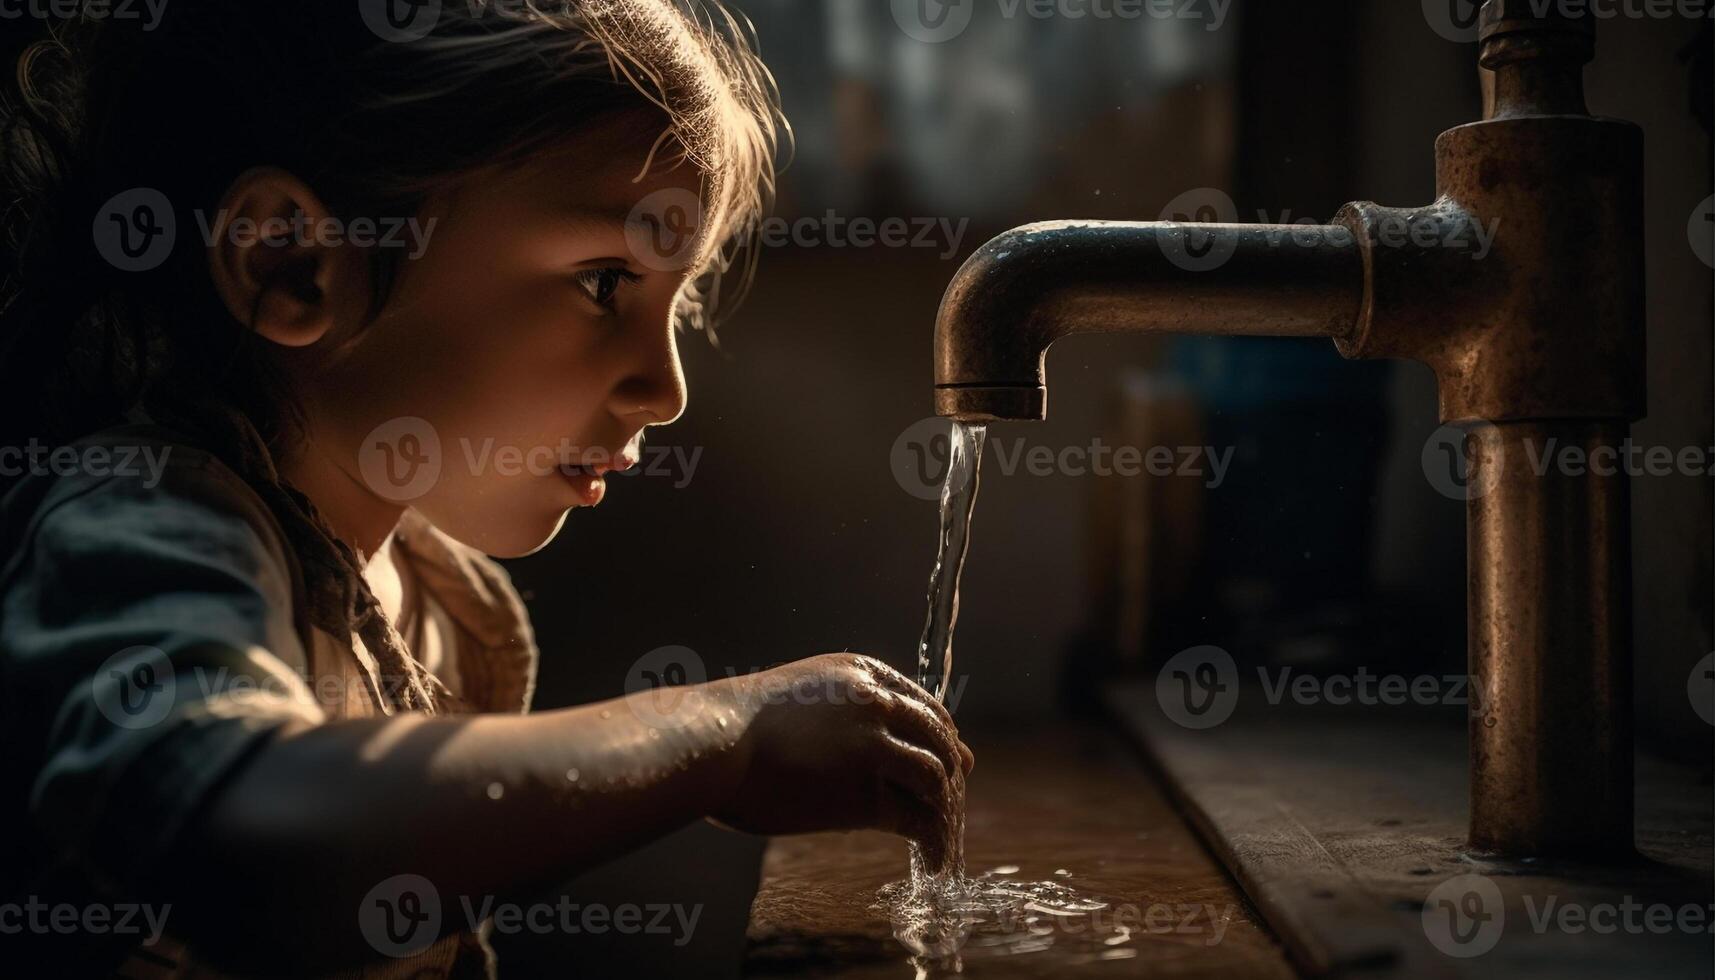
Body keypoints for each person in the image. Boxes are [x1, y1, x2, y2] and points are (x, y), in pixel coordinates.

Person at [0, 3, 971, 975]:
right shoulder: (137, 524)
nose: (665, 390)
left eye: (680, 300)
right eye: (603, 283)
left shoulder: (446, 600)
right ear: (291, 264)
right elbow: (238, 838)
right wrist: (729, 737)